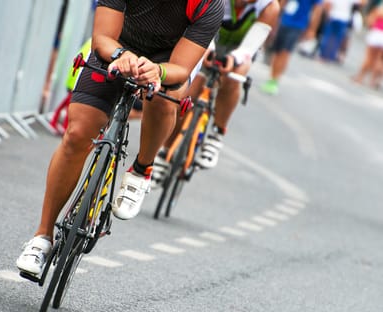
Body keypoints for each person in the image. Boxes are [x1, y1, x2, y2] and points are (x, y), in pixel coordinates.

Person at [16, 0, 225, 279]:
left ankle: (142, 169)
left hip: (165, 62)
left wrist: (158, 72)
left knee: (166, 101)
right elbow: (102, 37)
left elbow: (181, 69)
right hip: (114, 47)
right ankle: (42, 238)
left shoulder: (209, 5)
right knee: (78, 135)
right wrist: (120, 54)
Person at [152, 0, 280, 180]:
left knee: (236, 74)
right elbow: (202, 24)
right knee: (186, 97)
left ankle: (217, 134)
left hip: (238, 51)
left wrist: (233, 60)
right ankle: (164, 154)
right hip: (205, 40)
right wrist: (207, 49)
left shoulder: (269, 6)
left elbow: (248, 49)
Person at [261, 0, 324, 95]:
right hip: (284, 20)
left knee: (285, 52)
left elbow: (317, 10)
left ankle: (274, 80)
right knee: (277, 51)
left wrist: (312, 30)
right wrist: (276, 17)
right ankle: (271, 77)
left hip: (298, 25)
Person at [352, 3, 383, 88]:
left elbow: (371, 21)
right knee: (380, 59)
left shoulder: (379, 8)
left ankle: (360, 77)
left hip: (377, 33)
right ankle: (374, 81)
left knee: (369, 57)